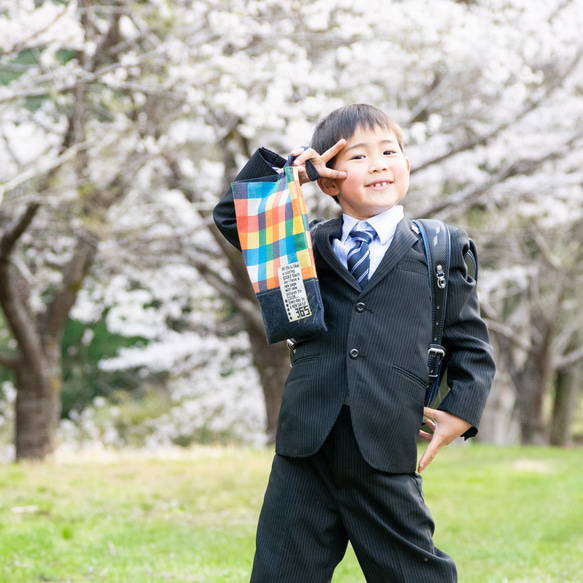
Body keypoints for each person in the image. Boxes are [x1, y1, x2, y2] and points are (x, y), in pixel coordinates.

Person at [213, 104, 495, 583]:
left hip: (384, 443)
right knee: (280, 572)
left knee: (414, 573)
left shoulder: (441, 247)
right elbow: (231, 217)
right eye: (359, 157)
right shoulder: (300, 244)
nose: (379, 163)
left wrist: (462, 410)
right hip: (306, 448)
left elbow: (469, 342)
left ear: (406, 164)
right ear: (329, 179)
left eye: (390, 152)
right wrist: (291, 174)